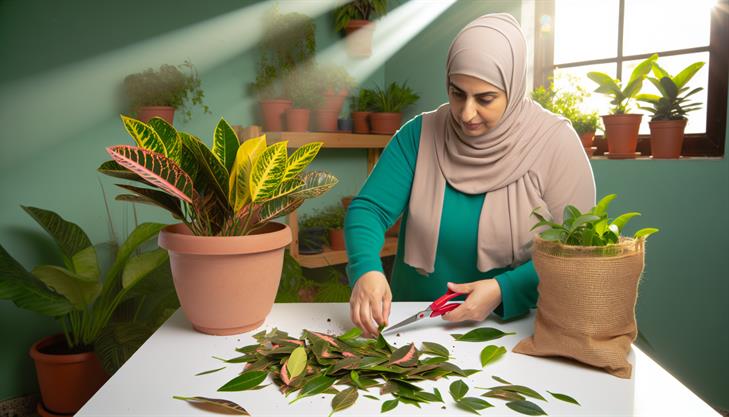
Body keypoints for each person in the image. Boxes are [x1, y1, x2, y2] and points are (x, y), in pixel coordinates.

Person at [344, 13, 596, 337]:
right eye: (457, 93)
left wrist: (504, 289)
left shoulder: (555, 144)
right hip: (410, 326)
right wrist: (366, 269)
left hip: (511, 330)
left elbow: (579, 251)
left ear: (514, 87)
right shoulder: (419, 135)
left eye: (485, 98)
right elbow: (369, 209)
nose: (466, 113)